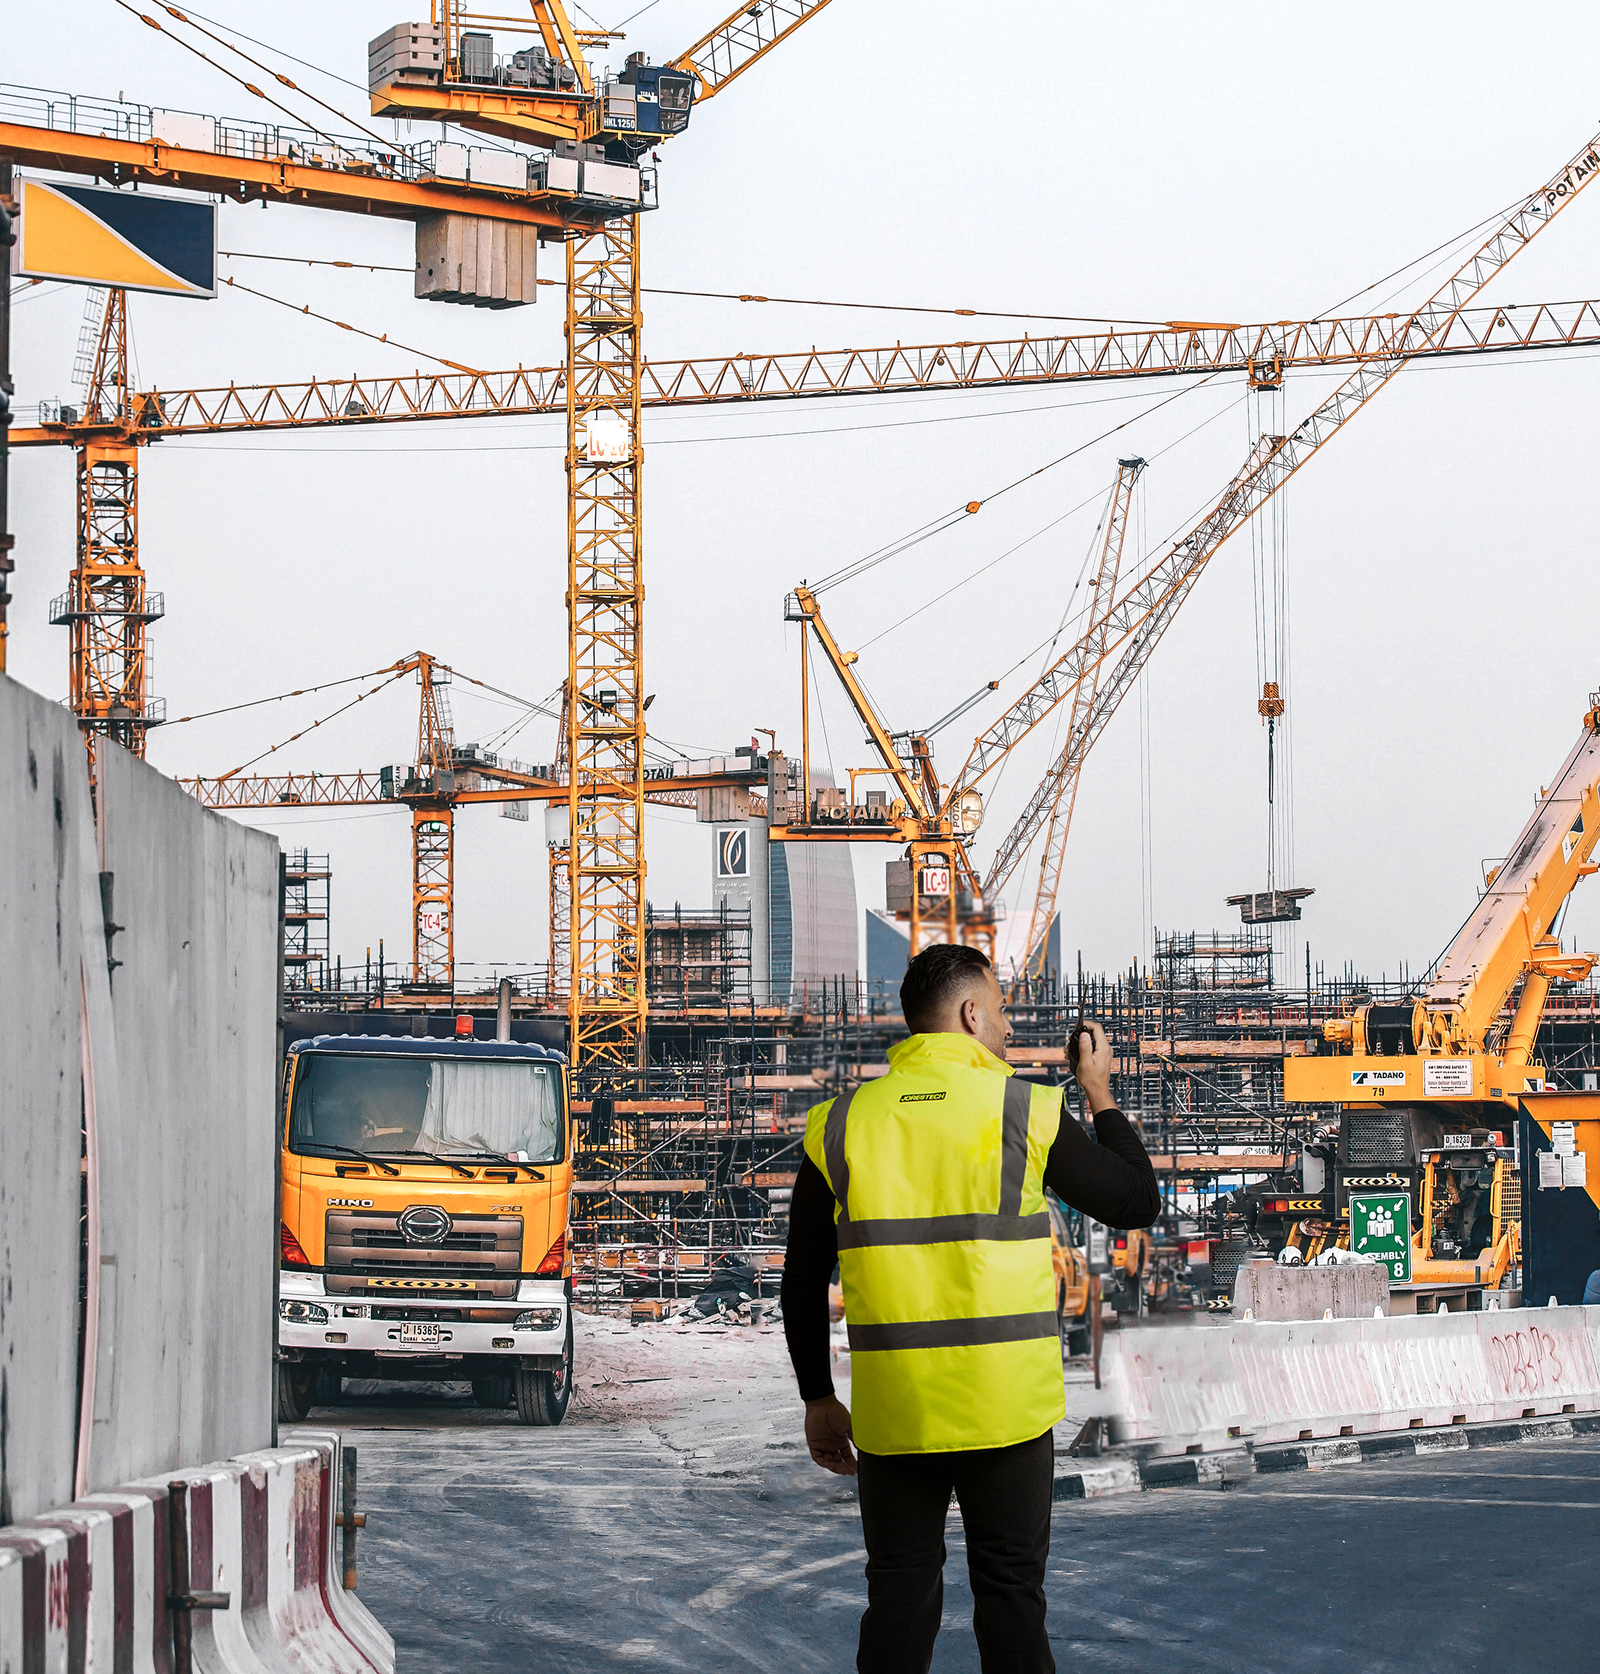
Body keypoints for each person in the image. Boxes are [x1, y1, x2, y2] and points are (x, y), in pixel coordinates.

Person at [780, 942, 1159, 1674]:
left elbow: (800, 1277)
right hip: (1006, 1412)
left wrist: (818, 1398)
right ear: (971, 1013)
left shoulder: (840, 1125)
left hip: (897, 1415)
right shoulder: (1025, 1110)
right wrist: (1099, 1091)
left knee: (897, 1600)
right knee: (1012, 1599)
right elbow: (1135, 1200)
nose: (1010, 1027)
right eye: (1004, 1009)